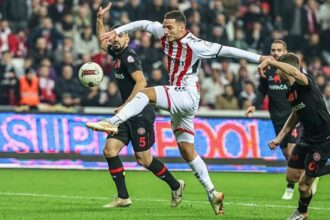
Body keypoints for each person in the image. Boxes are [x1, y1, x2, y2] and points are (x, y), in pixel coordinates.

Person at [87, 8, 269, 215]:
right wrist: (116, 30)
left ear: (182, 27)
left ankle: (113, 121)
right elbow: (143, 23)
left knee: (146, 93)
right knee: (186, 150)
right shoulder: (163, 33)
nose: (165, 30)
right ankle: (212, 192)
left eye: (170, 27)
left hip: (187, 94)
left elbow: (228, 50)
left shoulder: (195, 44)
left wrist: (260, 57)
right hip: (179, 101)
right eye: (164, 26)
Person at [94, 3, 184, 208]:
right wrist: (100, 20)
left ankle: (176, 185)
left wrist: (125, 106)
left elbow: (142, 83)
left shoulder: (128, 56)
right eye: (115, 35)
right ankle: (123, 197)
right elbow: (101, 42)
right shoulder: (117, 54)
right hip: (127, 113)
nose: (115, 38)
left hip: (141, 112)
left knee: (144, 159)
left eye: (120, 35)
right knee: (110, 150)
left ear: (127, 38)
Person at [261, 53, 330, 220]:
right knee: (291, 176)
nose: (277, 75)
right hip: (306, 138)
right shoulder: (290, 92)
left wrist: (271, 62)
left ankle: (302, 212)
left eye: (278, 70)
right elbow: (295, 115)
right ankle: (315, 172)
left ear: (287, 69)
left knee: (303, 186)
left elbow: (294, 72)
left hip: (323, 139)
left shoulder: (305, 81)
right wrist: (279, 138)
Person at [245, 40, 301, 200]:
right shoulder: (267, 70)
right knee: (285, 153)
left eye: (279, 50)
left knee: (291, 151)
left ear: (285, 51)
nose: (275, 53)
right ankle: (304, 174)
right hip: (276, 117)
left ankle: (292, 186)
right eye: (273, 50)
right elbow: (262, 90)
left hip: (293, 115)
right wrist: (254, 106)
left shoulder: (293, 71)